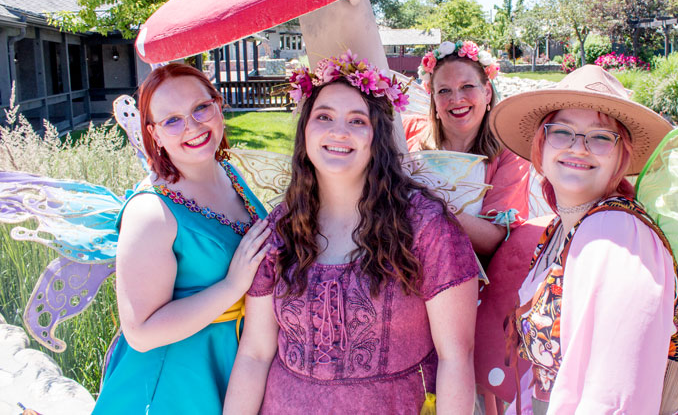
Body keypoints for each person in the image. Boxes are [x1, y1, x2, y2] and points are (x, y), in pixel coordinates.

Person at [223, 53, 479, 414]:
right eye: (324, 117)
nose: (339, 132)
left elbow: (456, 356)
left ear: (377, 137)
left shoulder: (425, 226)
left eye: (357, 120)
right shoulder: (280, 230)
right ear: (305, 131)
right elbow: (255, 353)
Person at [490, 65, 678, 414]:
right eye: (561, 132)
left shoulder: (614, 233)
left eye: (600, 137)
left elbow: (614, 399)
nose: (578, 147)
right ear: (541, 144)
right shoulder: (560, 230)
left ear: (621, 156)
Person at [94, 63, 270, 414]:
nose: (192, 126)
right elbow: (141, 332)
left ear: (218, 105)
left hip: (236, 363)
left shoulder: (228, 173)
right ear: (154, 134)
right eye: (172, 120)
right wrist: (232, 287)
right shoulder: (151, 212)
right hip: (174, 384)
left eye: (201, 108)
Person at [405, 40, 536, 257]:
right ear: (433, 99)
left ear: (487, 92)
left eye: (467, 86)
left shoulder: (509, 153)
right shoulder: (408, 131)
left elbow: (494, 241)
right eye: (444, 90)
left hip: (469, 270)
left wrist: (430, 204)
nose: (456, 99)